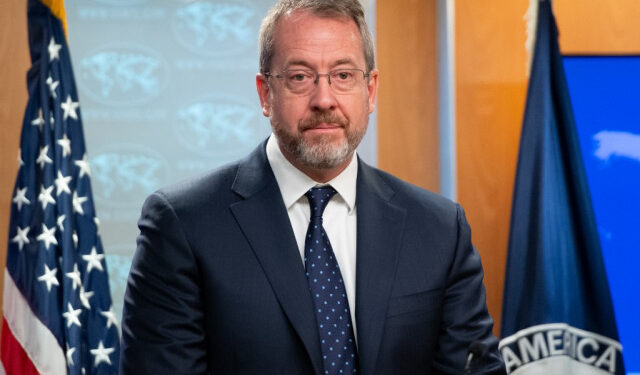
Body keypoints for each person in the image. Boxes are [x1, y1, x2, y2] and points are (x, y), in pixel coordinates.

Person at [119, 0, 506, 374]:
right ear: (265, 93)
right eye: (300, 77)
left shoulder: (439, 230)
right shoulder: (183, 225)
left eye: (343, 75)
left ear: (370, 91)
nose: (324, 100)